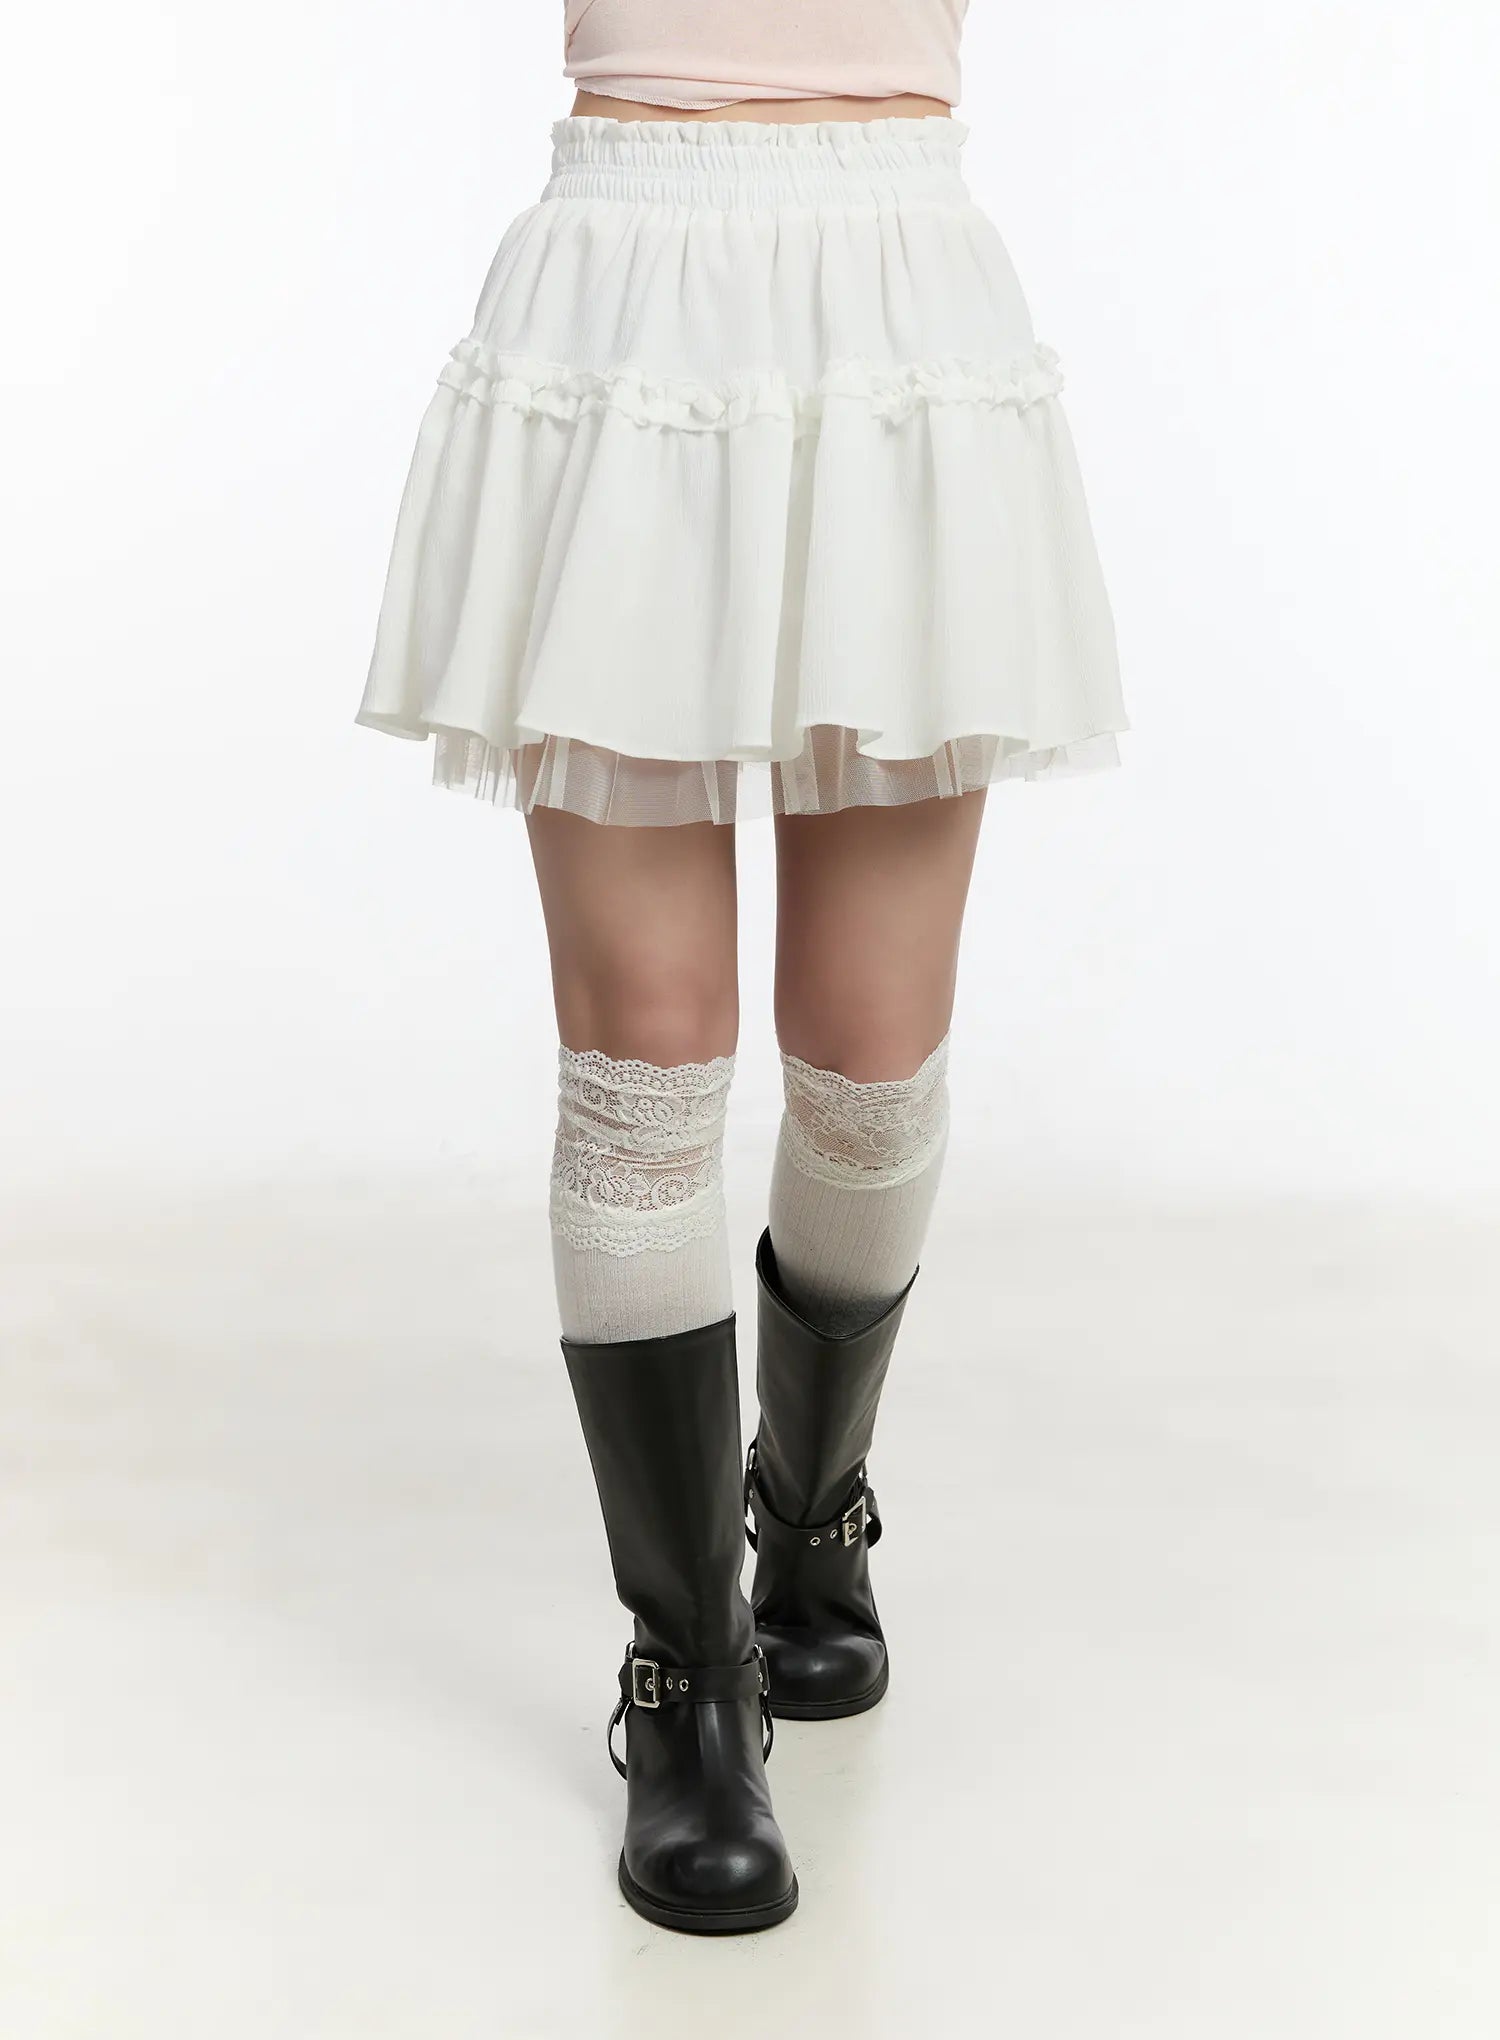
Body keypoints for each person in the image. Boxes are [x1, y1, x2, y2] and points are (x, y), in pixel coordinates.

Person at [358, 0, 1126, 1936]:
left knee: (870, 1075)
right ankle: (689, 1680)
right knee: (644, 1069)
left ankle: (807, 1516)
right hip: (631, 276)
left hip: (897, 283)